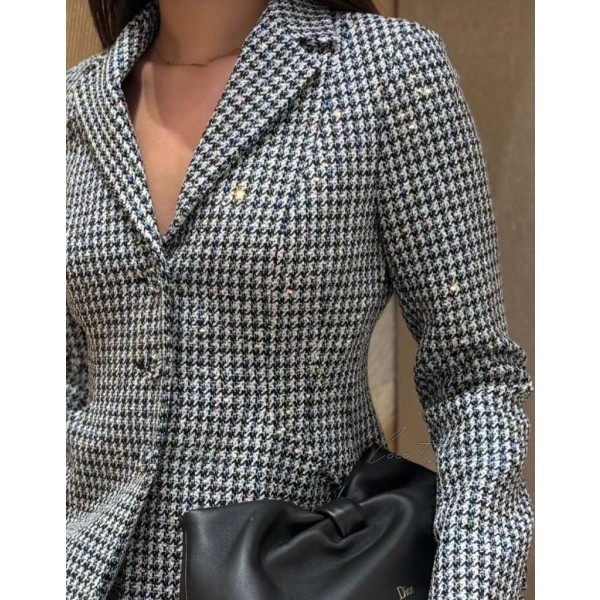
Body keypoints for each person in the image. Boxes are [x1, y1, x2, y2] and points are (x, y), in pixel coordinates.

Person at [66, 0, 534, 598]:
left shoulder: (384, 70)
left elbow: (472, 378)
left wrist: (472, 587)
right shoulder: (73, 105)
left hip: (298, 572)